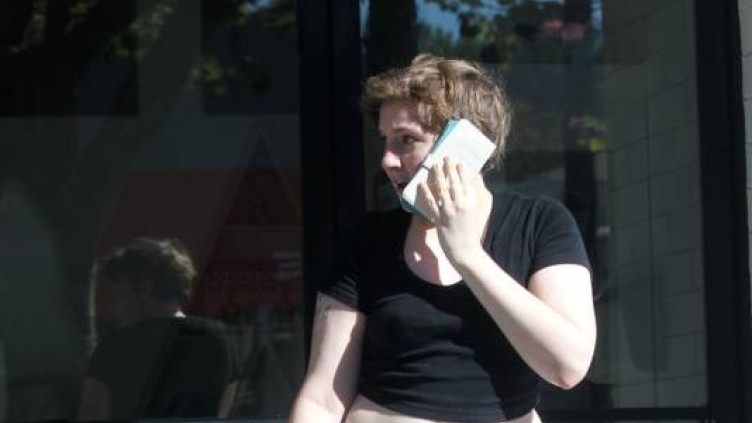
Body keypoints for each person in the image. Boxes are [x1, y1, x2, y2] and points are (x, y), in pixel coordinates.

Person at [288, 53, 596, 423]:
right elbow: (322, 399)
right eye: (385, 140)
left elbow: (567, 366)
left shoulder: (539, 224)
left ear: (465, 144)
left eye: (406, 140)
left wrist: (467, 254)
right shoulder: (368, 242)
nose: (387, 160)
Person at [77, 237, 238, 421]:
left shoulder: (115, 347)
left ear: (144, 288)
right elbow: (221, 412)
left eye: (118, 292)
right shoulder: (218, 338)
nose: (113, 305)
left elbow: (91, 416)